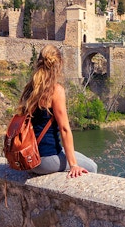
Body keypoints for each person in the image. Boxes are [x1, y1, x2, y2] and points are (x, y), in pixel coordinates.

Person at [17, 44, 97, 178]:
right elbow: (64, 129)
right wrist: (73, 165)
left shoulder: (30, 89)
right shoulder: (55, 90)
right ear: (59, 64)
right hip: (45, 160)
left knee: (80, 157)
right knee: (91, 166)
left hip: (28, 157)